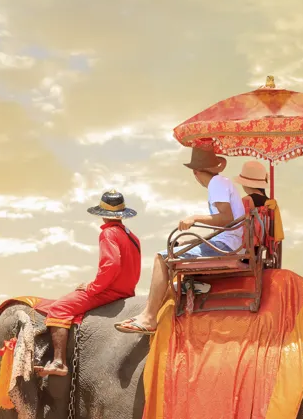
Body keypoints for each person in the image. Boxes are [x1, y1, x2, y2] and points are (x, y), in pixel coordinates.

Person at [114, 148, 244, 335]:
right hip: (228, 242)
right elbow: (226, 222)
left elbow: (226, 218)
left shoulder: (216, 184)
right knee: (181, 247)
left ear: (195, 173)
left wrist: (194, 218)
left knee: (162, 257)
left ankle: (149, 317)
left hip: (225, 246)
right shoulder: (223, 182)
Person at [37, 190, 141, 377]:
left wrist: (92, 287)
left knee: (60, 308)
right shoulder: (133, 237)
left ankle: (59, 362)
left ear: (102, 214)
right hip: (127, 291)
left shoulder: (108, 233)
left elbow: (111, 264)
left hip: (110, 291)